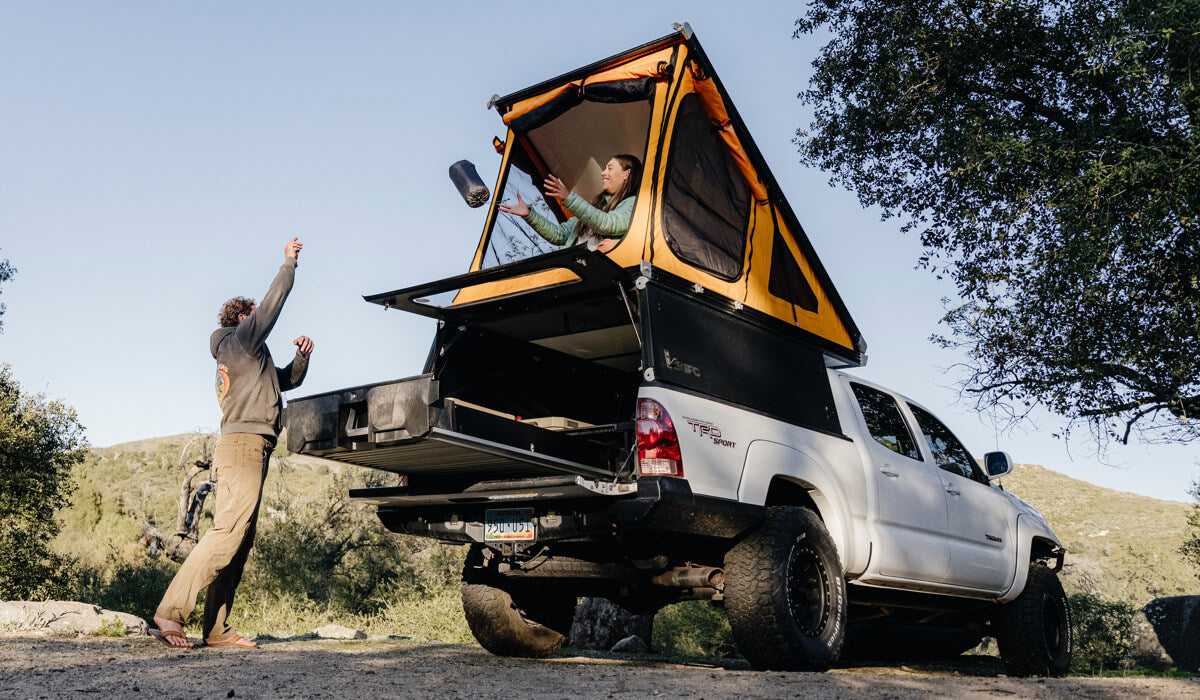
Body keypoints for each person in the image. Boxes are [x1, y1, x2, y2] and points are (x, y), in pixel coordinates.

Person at [151, 237, 314, 649]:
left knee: (239, 539)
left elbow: (287, 381)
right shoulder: (239, 341)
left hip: (253, 447)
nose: (260, 319)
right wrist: (289, 264)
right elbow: (273, 303)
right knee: (227, 533)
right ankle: (170, 613)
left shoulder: (249, 358)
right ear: (243, 318)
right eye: (254, 315)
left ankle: (217, 631)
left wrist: (302, 358)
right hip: (242, 445)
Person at [499, 154, 642, 253]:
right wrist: (529, 214)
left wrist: (569, 198)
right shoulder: (594, 207)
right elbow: (560, 235)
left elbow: (607, 224)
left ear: (627, 174)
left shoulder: (632, 203)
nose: (603, 173)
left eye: (610, 168)